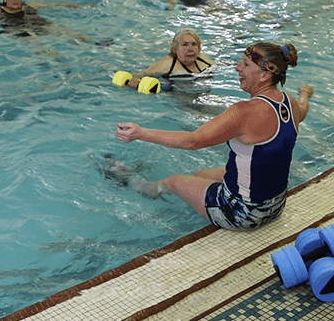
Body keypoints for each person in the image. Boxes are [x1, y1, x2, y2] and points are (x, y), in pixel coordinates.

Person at [115, 43, 314, 231]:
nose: (237, 68)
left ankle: (142, 185)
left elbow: (193, 140)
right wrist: (305, 92)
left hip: (244, 214)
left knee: (173, 181)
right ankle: (190, 190)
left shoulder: (244, 112)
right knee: (201, 174)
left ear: (263, 76)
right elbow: (303, 109)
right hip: (276, 205)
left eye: (245, 65)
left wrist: (141, 133)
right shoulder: (290, 103)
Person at [119, 28, 216, 89]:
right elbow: (141, 74)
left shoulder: (202, 58)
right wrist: (135, 80)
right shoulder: (168, 63)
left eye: (194, 44)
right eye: (185, 45)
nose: (190, 49)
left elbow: (219, 65)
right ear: (175, 48)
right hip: (179, 96)